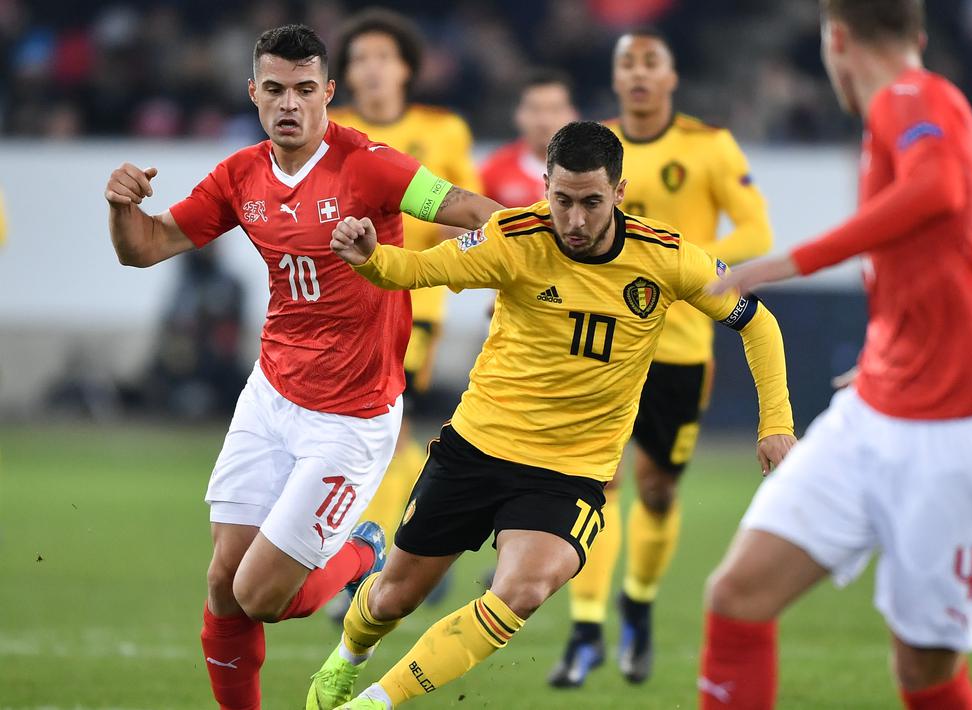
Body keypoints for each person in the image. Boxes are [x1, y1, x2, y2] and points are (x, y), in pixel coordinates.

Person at [304, 120, 795, 710]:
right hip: (478, 447)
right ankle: (347, 657)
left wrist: (776, 423)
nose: (575, 220)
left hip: (571, 472)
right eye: (562, 201)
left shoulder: (665, 258)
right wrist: (370, 257)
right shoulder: (513, 237)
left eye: (591, 202)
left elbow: (758, 323)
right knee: (392, 599)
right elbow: (417, 269)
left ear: (619, 192)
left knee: (523, 589)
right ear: (545, 187)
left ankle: (377, 703)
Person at [102, 25, 501, 710]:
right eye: (276, 89)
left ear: (328, 93)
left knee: (260, 595)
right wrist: (121, 208)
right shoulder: (240, 175)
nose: (290, 103)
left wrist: (530, 256)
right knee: (223, 584)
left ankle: (362, 551)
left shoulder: (370, 165)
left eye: (305, 89)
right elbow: (144, 247)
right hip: (271, 396)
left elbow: (475, 211)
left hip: (351, 417)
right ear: (254, 92)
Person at [698, 2, 972, 708]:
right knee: (737, 594)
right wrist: (896, 346)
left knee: (924, 669)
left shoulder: (909, 96)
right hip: (877, 408)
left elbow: (936, 188)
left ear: (837, 39)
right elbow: (934, 252)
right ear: (916, 35)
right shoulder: (916, 107)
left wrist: (789, 261)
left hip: (959, 431)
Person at [550, 28, 774, 688]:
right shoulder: (595, 152)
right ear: (615, 78)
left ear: (671, 78)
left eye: (652, 63)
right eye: (628, 63)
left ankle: (638, 606)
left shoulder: (708, 146)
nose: (640, 74)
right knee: (596, 485)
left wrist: (684, 263)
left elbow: (757, 229)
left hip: (678, 347)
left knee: (656, 489)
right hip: (600, 343)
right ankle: (586, 629)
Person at [330, 8, 484, 549]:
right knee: (349, 432)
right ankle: (411, 534)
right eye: (360, 59)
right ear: (345, 75)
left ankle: (372, 553)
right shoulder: (329, 132)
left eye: (384, 57)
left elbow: (466, 212)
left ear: (406, 69)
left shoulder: (443, 130)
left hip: (412, 304)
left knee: (387, 425)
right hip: (338, 306)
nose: (372, 68)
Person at [479, 69, 579, 207]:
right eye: (535, 109)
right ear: (518, 114)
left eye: (555, 109)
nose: (545, 121)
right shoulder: (493, 171)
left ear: (573, 114)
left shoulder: (595, 169)